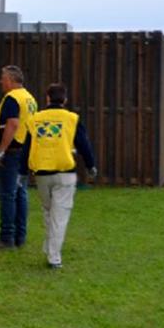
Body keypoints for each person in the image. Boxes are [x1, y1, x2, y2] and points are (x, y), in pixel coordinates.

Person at [20, 83, 97, 269]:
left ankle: (49, 247)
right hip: (64, 174)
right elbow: (84, 144)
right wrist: (91, 165)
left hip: (42, 174)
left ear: (47, 98)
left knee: (48, 211)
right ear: (65, 100)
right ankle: (54, 258)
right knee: (59, 215)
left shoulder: (35, 119)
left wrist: (22, 172)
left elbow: (26, 147)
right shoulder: (71, 119)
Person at [0, 65, 37, 250]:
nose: (0, 81)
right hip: (24, 150)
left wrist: (1, 151)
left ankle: (6, 238)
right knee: (21, 193)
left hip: (12, 151)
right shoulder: (29, 98)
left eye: (3, 78)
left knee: (7, 195)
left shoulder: (13, 98)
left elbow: (12, 124)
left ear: (12, 80)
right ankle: (19, 236)